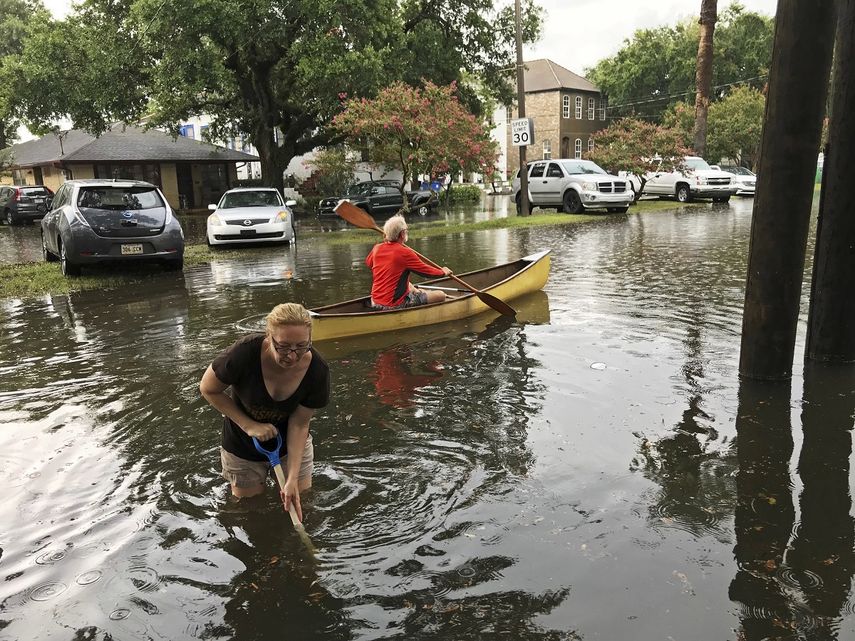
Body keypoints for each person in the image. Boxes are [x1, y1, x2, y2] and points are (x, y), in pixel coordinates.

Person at [199, 302, 329, 521]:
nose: (292, 355)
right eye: (284, 346)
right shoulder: (244, 353)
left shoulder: (318, 371)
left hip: (291, 445)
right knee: (249, 511)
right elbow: (208, 389)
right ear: (269, 337)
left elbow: (299, 424)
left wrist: (291, 479)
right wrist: (250, 425)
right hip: (242, 443)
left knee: (301, 502)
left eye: (301, 346)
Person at [366, 214, 453, 309]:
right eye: (406, 230)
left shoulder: (377, 248)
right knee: (440, 295)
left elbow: (369, 263)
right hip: (393, 305)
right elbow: (426, 272)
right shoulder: (405, 253)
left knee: (411, 286)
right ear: (402, 234)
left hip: (374, 302)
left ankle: (418, 292)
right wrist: (443, 272)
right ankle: (423, 294)